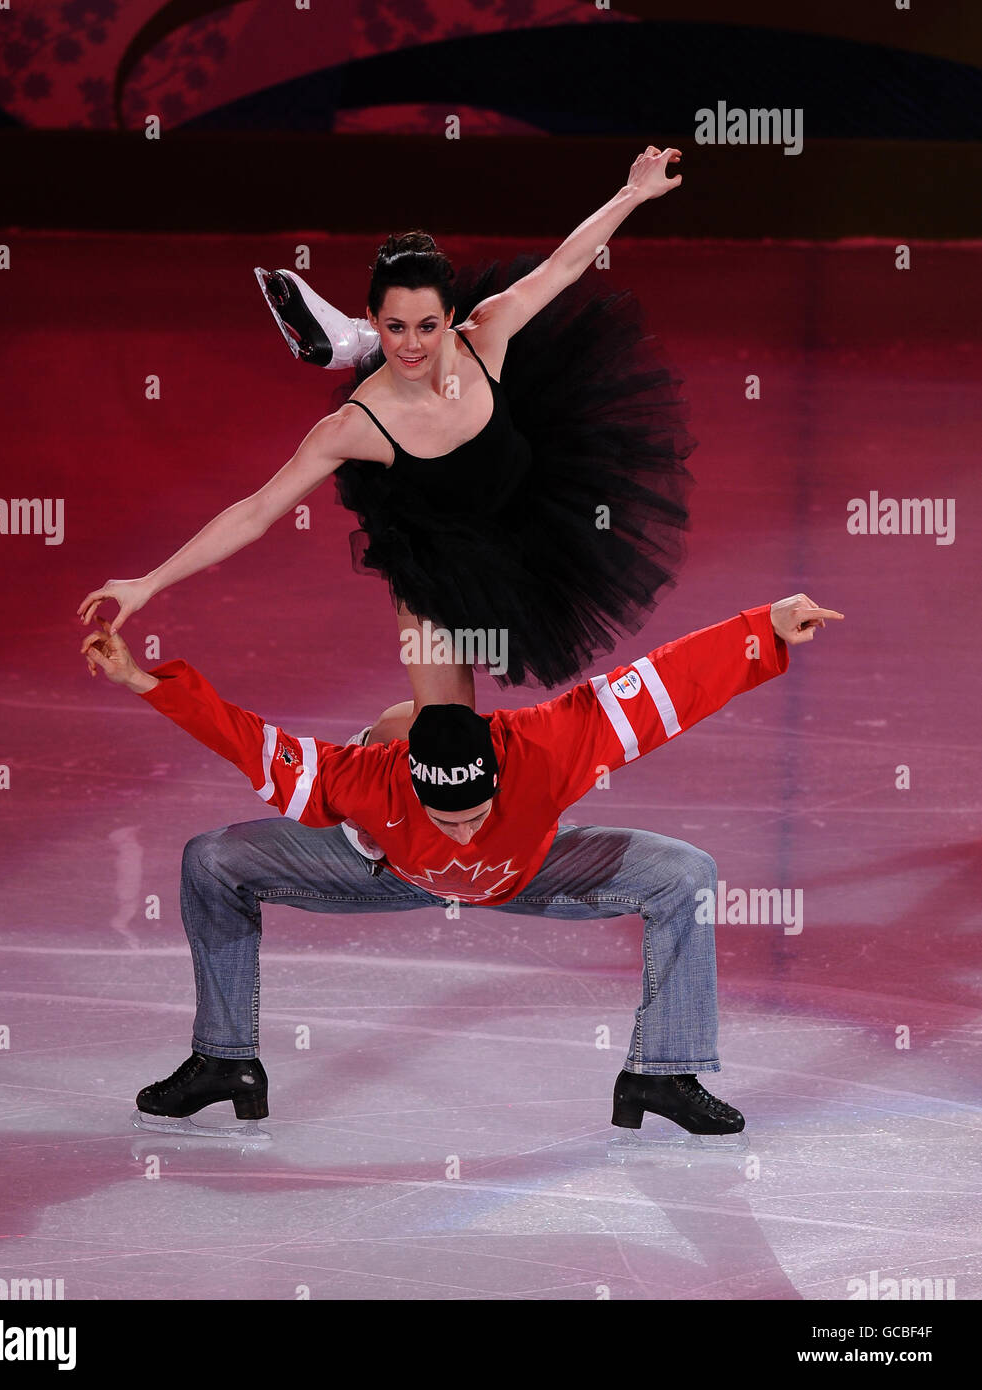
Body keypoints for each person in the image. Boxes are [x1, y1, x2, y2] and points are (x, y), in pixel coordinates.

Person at [81, 592, 843, 1140]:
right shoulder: (365, 775)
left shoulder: (546, 746)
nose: (462, 830)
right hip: (386, 871)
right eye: (447, 818)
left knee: (683, 871)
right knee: (213, 858)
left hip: (532, 872)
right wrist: (143, 681)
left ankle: (662, 1072)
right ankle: (224, 1062)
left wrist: (761, 630)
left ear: (497, 768)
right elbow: (247, 739)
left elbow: (660, 687)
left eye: (476, 813)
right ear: (407, 777)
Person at [78, 146, 695, 705]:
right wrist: (148, 582)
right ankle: (374, 748)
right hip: (435, 551)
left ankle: (348, 341)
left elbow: (565, 266)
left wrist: (632, 192)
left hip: (525, 505)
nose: (413, 345)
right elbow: (257, 511)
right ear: (377, 316)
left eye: (428, 326)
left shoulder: (487, 333)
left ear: (451, 315)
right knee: (447, 729)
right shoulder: (355, 426)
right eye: (394, 327)